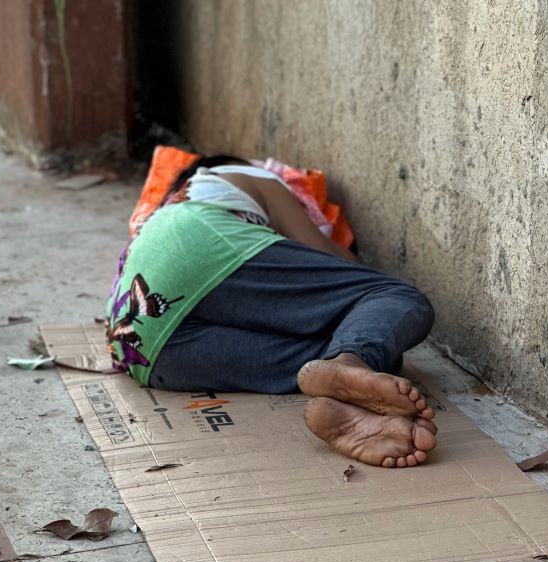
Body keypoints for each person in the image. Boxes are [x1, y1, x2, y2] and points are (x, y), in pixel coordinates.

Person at [107, 155, 437, 468]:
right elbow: (323, 253)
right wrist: (359, 278)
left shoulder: (152, 224)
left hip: (144, 351)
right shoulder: (249, 176)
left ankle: (353, 414)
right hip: (201, 244)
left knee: (364, 350)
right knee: (392, 297)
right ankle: (349, 364)